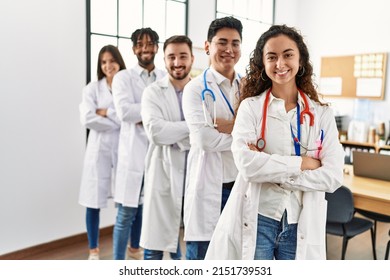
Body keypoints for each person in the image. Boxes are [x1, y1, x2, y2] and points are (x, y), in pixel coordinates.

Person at [205, 25, 345, 260]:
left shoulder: (321, 114)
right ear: (263, 63)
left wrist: (269, 168)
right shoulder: (251, 107)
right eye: (272, 57)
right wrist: (304, 163)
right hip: (259, 217)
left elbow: (332, 176)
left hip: (300, 219)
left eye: (288, 55)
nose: (280, 64)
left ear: (300, 60)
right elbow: (247, 165)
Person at [182, 16, 243, 260]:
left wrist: (225, 127)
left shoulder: (248, 87)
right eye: (222, 42)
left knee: (233, 257)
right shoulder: (195, 89)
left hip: (239, 185)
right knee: (200, 257)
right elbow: (204, 140)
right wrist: (243, 138)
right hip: (208, 186)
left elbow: (261, 134)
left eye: (235, 43)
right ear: (208, 46)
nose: (229, 49)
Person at [111, 27, 166, 260]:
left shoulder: (165, 76)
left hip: (159, 153)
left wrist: (146, 116)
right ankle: (117, 263)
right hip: (133, 154)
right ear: (134, 49)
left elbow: (173, 112)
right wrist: (155, 114)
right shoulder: (123, 77)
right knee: (126, 214)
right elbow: (124, 112)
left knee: (153, 210)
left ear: (156, 47)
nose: (145, 48)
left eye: (150, 43)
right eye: (140, 44)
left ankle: (145, 260)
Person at [140, 35, 194, 260]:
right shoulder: (153, 92)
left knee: (192, 241)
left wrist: (176, 133)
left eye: (183, 56)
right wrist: (193, 128)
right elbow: (157, 132)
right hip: (163, 171)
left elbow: (211, 133)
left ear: (192, 58)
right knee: (155, 246)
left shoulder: (201, 90)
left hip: (195, 172)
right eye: (171, 57)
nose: (177, 62)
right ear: (164, 60)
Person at [78, 45, 126, 260]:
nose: (108, 65)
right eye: (103, 62)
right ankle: (93, 250)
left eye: (111, 60)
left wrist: (107, 112)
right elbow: (87, 119)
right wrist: (118, 119)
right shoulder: (91, 89)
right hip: (98, 152)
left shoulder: (127, 86)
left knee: (129, 199)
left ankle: (133, 248)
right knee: (92, 201)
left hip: (123, 149)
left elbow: (131, 115)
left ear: (119, 61)